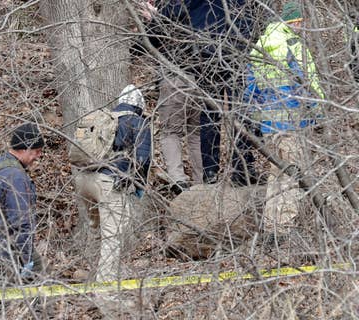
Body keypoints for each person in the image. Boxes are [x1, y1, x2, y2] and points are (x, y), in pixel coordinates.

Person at [139, 0, 261, 187]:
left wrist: (153, 21)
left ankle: (210, 172)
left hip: (205, 55)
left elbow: (169, 17)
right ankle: (242, 168)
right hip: (236, 49)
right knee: (239, 112)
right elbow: (254, 14)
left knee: (209, 117)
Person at [244, 2, 325, 234]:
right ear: (296, 21)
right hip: (292, 123)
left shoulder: (261, 46)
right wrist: (318, 114)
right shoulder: (293, 45)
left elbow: (251, 91)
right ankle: (284, 230)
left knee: (275, 176)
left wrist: (259, 121)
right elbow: (308, 84)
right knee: (291, 177)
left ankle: (270, 227)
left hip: (270, 126)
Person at [73, 85, 151, 286]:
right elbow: (142, 159)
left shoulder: (105, 118)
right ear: (140, 104)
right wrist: (139, 185)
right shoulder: (138, 122)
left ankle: (91, 275)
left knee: (95, 230)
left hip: (84, 180)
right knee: (112, 237)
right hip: (108, 183)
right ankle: (106, 290)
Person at [0, 123, 45, 288]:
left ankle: (36, 310)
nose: (39, 156)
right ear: (24, 149)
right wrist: (26, 258)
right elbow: (21, 221)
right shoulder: (16, 177)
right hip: (7, 247)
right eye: (36, 151)